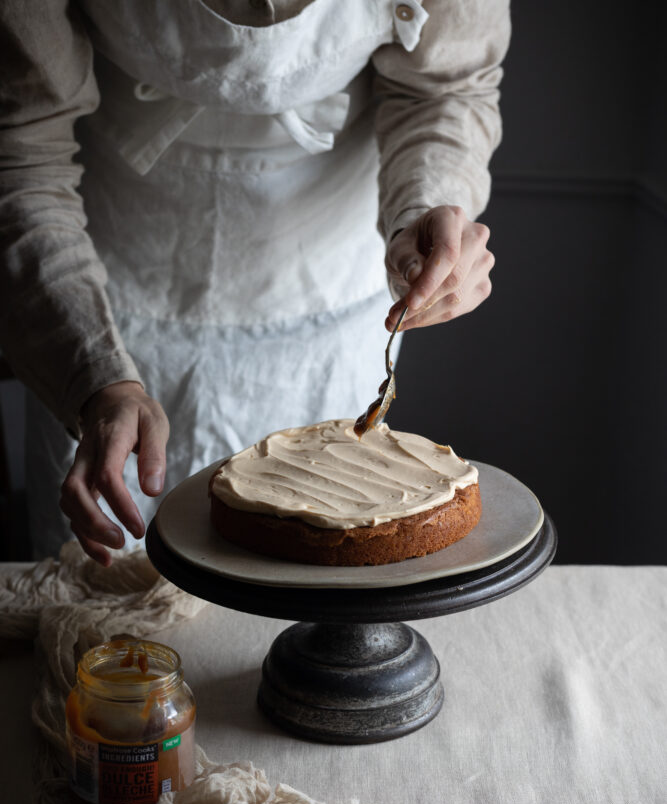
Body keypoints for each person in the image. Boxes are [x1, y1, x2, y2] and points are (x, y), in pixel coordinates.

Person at [0, 0, 510, 566]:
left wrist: (426, 203)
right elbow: (21, 153)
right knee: (105, 607)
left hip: (327, 289)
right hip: (106, 294)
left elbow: (446, 88)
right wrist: (94, 379)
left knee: (318, 590)